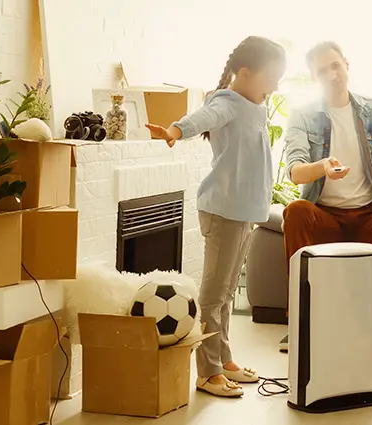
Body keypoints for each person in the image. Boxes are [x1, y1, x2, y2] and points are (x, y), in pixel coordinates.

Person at [145, 36, 286, 397]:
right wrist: (175, 130)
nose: (275, 85)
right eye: (271, 76)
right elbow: (204, 117)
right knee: (213, 294)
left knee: (224, 295)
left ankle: (223, 358)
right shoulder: (228, 101)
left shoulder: (256, 103)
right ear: (243, 73)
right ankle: (207, 372)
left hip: (244, 212)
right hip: (224, 210)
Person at [278, 41, 372, 352]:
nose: (332, 74)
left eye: (335, 65)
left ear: (346, 65)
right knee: (295, 211)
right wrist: (322, 166)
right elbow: (294, 172)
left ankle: (359, 316)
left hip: (368, 214)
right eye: (322, 71)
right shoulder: (303, 115)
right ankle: (300, 319)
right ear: (314, 78)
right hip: (326, 215)